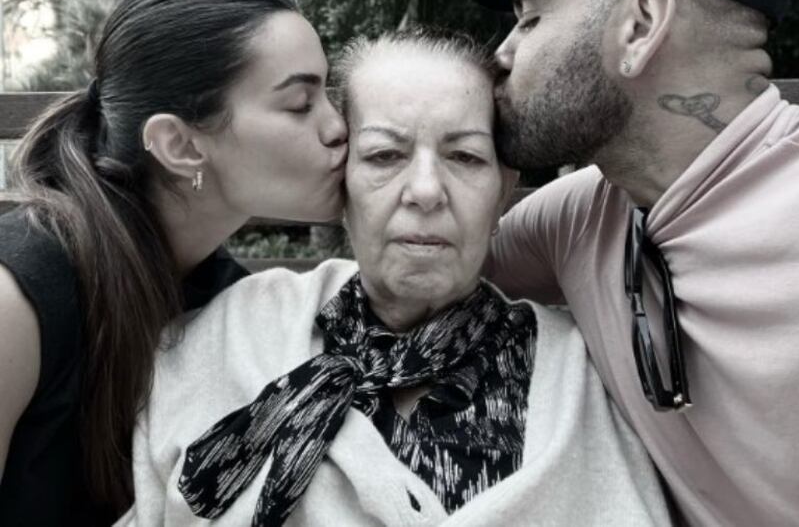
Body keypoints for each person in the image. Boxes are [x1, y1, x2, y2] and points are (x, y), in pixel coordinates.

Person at [117, 31, 671, 527]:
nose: (426, 191)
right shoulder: (232, 333)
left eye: (465, 157)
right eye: (384, 155)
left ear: (503, 190)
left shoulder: (579, 375)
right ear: (343, 182)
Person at [437, 0, 799, 526]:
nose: (500, 55)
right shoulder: (577, 218)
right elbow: (420, 283)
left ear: (640, 26)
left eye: (530, 17)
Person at [0, 0, 347, 524]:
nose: (339, 127)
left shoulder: (227, 303)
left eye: (328, 93)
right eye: (301, 103)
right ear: (179, 145)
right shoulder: (19, 294)